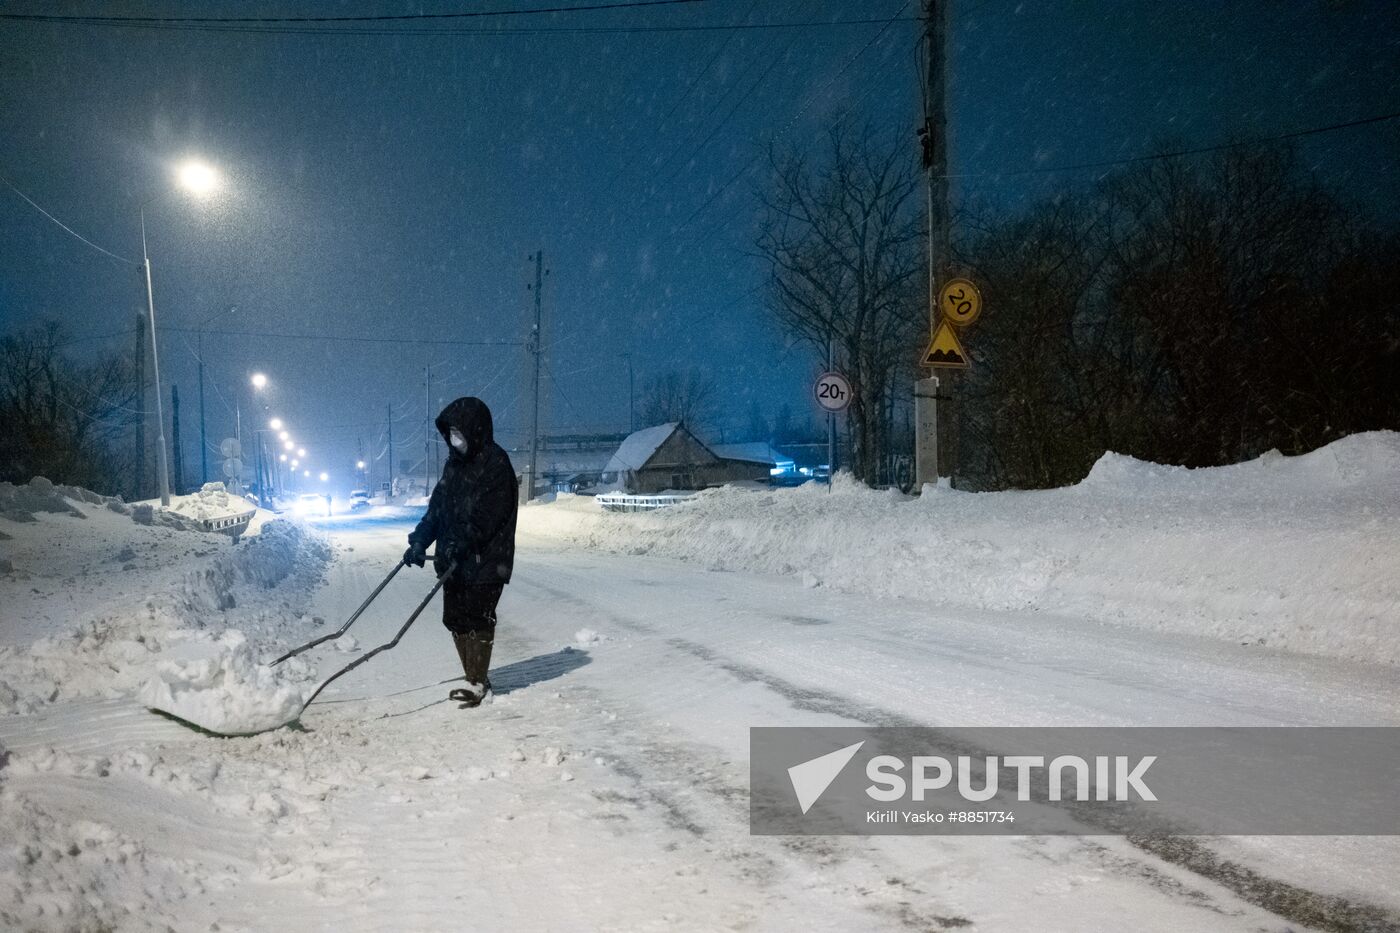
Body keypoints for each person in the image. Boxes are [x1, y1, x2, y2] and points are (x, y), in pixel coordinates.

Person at [403, 397, 518, 708]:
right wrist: (420, 541)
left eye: (459, 433)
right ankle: (473, 676)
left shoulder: (496, 464)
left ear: (475, 431)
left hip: (486, 559)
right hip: (454, 558)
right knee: (454, 618)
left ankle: (477, 681)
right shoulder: (453, 465)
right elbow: (438, 509)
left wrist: (461, 543)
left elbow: (487, 517)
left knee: (477, 616)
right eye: (451, 433)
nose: (454, 439)